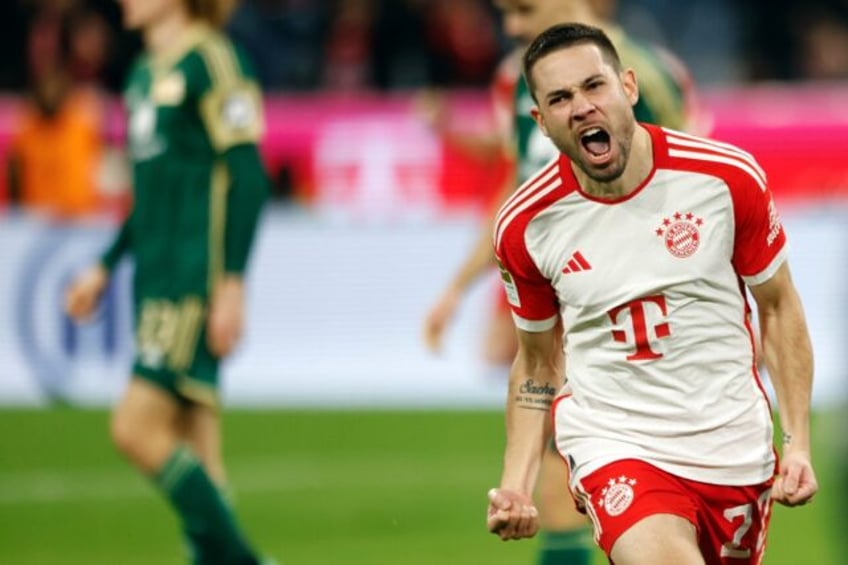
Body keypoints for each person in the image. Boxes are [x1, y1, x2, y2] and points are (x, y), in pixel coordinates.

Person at [486, 22, 817, 564]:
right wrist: (517, 482)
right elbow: (538, 363)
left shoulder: (725, 180)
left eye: (595, 86)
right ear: (541, 122)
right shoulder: (527, 225)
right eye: (560, 98)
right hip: (615, 444)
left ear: (629, 87)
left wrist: (797, 442)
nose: (582, 107)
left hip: (733, 449)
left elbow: (778, 306)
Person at [421, 1, 700, 563]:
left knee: (599, 482)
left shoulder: (647, 69)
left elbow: (692, 184)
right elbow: (514, 185)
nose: (512, 25)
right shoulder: (514, 80)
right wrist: (460, 285)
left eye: (522, 8)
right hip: (566, 296)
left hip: (631, 306)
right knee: (560, 479)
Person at [64, 0, 270, 563]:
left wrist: (231, 282)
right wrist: (105, 265)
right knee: (199, 451)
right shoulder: (139, 75)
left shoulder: (213, 61)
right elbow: (149, 192)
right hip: (151, 279)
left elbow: (248, 173)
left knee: (134, 428)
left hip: (190, 279)